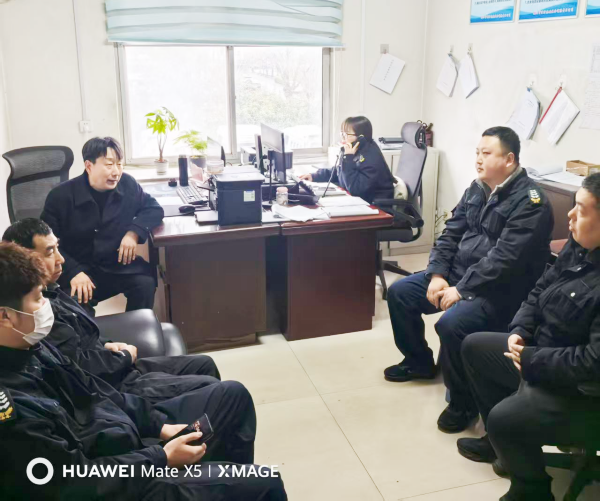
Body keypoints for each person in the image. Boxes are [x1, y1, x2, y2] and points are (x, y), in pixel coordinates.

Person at [0, 242, 286, 500]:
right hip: (117, 483)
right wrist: (159, 458)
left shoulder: (33, 348)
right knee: (265, 483)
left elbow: (95, 391)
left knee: (233, 396)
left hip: (127, 441)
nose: (46, 305)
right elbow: (72, 482)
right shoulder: (12, 406)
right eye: (38, 298)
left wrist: (158, 425)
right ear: (5, 316)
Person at [384, 126, 554, 433]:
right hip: (460, 274)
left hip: (500, 288)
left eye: (486, 153)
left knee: (452, 325)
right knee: (400, 293)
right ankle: (418, 362)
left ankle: (463, 404)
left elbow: (505, 259)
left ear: (509, 160)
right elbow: (450, 234)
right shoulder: (476, 189)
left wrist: (461, 289)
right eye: (477, 152)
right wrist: (437, 275)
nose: (478, 159)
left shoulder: (531, 203)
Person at [457, 173, 600, 501]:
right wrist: (520, 330)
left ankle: (531, 490)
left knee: (504, 419)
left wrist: (533, 360)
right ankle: (503, 447)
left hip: (583, 390)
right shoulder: (579, 247)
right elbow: (540, 289)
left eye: (581, 209)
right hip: (546, 354)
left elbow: (594, 362)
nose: (570, 215)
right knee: (474, 347)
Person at [2, 218, 225, 403]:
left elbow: (84, 334)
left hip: (113, 364)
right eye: (50, 252)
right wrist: (124, 357)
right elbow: (79, 368)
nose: (61, 259)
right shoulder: (34, 316)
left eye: (57, 248)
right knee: (219, 391)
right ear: (25, 259)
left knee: (205, 364)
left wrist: (108, 344)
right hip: (112, 385)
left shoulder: (52, 289)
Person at [41, 136, 164, 313]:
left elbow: (153, 209)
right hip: (78, 268)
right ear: (89, 166)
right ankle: (93, 332)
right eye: (109, 164)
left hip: (114, 266)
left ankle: (136, 327)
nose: (116, 172)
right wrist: (73, 272)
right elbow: (45, 243)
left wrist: (133, 233)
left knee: (145, 282)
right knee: (75, 305)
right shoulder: (60, 196)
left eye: (119, 164)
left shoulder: (127, 184)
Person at [299, 116, 395, 203]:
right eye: (342, 134)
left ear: (360, 138)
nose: (343, 139)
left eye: (346, 135)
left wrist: (348, 158)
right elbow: (339, 172)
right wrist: (315, 176)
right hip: (359, 202)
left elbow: (356, 190)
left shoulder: (371, 158)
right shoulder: (356, 151)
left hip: (376, 208)